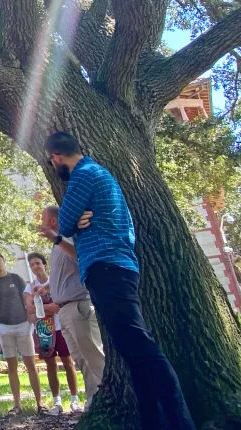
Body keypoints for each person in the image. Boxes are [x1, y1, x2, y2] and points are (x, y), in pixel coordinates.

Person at [45, 131, 195, 430]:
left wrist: (73, 222)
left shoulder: (83, 175)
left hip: (107, 268)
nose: (54, 166)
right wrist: (78, 221)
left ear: (56, 157)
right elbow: (72, 221)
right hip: (115, 268)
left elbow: (63, 222)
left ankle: (182, 423)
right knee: (132, 352)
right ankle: (153, 422)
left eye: (52, 162)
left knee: (140, 345)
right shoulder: (99, 174)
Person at [39, 206, 105, 410]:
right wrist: (46, 286)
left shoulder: (69, 237)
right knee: (81, 360)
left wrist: (56, 239)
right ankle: (94, 403)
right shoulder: (57, 245)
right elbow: (65, 272)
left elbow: (79, 258)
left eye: (43, 219)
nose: (40, 223)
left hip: (78, 307)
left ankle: (117, 396)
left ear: (52, 221)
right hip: (64, 310)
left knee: (93, 356)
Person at [0, 251, 41, 414]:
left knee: (31, 365)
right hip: (5, 327)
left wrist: (30, 320)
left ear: (4, 261)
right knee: (12, 366)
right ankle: (17, 405)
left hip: (23, 325)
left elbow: (26, 299)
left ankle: (39, 403)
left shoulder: (16, 278)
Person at [26, 253, 80, 416]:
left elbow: (62, 302)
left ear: (44, 264)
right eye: (32, 265)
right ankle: (57, 402)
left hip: (61, 326)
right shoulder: (30, 287)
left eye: (38, 263)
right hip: (44, 331)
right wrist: (49, 308)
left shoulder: (54, 281)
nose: (35, 267)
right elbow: (30, 310)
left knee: (68, 363)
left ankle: (74, 399)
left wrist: (43, 308)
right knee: (50, 365)